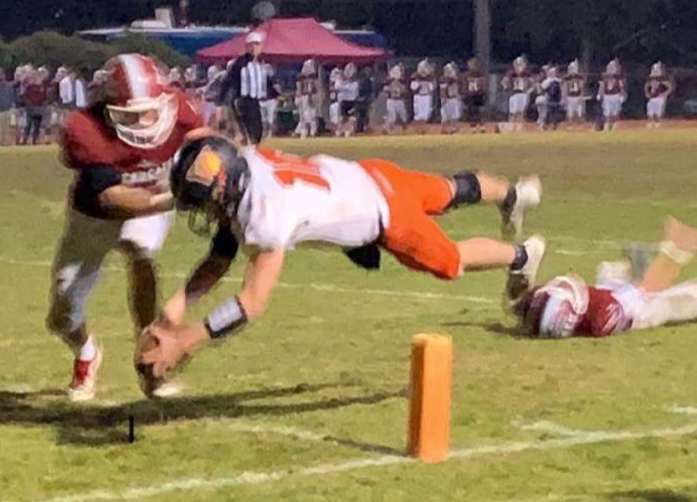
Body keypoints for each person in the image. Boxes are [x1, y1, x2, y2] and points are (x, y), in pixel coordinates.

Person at [134, 136, 545, 380]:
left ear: (226, 188)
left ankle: (522, 256)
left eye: (206, 203)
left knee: (451, 262)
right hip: (368, 175)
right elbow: (222, 250)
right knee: (451, 189)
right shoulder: (250, 161)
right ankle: (512, 194)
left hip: (385, 217)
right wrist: (180, 304)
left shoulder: (266, 215)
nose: (205, 213)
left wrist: (187, 340)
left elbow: (250, 304)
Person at [46, 54, 203, 402]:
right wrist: (176, 196)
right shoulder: (84, 128)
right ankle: (86, 352)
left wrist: (212, 164)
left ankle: (150, 362)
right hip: (96, 216)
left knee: (142, 254)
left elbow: (203, 138)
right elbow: (113, 198)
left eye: (151, 110)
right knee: (62, 316)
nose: (145, 120)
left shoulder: (178, 108)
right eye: (132, 113)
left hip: (150, 205)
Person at [510, 217, 697, 339]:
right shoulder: (604, 313)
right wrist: (675, 253)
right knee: (678, 301)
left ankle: (636, 268)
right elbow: (646, 291)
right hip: (638, 310)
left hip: (618, 298)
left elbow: (528, 308)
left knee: (608, 271)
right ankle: (640, 268)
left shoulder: (552, 314)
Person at [219, 31, 273, 145]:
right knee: (249, 130)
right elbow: (228, 80)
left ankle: (250, 150)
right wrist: (224, 100)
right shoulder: (241, 63)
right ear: (247, 46)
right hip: (242, 100)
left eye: (257, 44)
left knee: (258, 131)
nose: (254, 48)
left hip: (255, 102)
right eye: (251, 44)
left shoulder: (260, 65)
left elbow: (266, 83)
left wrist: (273, 94)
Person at [501, 56, 531, 130]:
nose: (519, 66)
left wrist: (529, 90)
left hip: (523, 93)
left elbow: (530, 82)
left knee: (521, 112)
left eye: (521, 64)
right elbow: (504, 82)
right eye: (518, 64)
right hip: (514, 94)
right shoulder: (511, 73)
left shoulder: (527, 73)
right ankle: (511, 126)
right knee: (513, 112)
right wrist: (506, 87)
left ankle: (520, 127)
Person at [597, 59, 626, 131]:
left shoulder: (618, 79)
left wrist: (621, 96)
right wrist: (599, 94)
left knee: (615, 113)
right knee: (607, 113)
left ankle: (614, 127)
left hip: (616, 96)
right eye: (609, 68)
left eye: (612, 68)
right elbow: (602, 87)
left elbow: (621, 88)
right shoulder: (605, 79)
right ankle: (606, 127)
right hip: (607, 97)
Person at [644, 62, 674, 129]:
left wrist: (664, 94)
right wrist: (647, 93)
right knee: (650, 109)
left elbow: (669, 87)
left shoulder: (661, 79)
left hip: (659, 98)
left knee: (657, 112)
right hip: (652, 97)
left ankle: (657, 124)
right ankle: (650, 123)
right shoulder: (650, 79)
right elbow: (646, 85)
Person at [295, 59, 319, 139]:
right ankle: (302, 131)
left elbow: (316, 88)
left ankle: (311, 131)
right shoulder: (300, 77)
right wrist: (298, 97)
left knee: (311, 115)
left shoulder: (313, 78)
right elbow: (299, 89)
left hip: (310, 96)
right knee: (303, 115)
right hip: (303, 97)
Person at [463, 58, 487, 133]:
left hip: (478, 94)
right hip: (470, 95)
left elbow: (484, 84)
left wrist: (483, 92)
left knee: (479, 111)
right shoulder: (466, 75)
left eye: (474, 64)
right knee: (471, 111)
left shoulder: (480, 74)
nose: (472, 66)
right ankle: (473, 126)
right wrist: (464, 93)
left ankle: (481, 125)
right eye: (470, 64)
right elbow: (464, 85)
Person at [336, 62, 359, 138]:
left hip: (351, 101)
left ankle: (347, 131)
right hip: (344, 101)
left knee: (352, 118)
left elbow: (353, 89)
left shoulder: (355, 83)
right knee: (342, 118)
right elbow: (337, 87)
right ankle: (339, 131)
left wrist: (344, 87)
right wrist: (345, 84)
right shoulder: (340, 80)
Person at [410, 59, 435, 128]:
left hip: (427, 97)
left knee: (426, 115)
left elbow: (432, 88)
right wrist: (419, 84)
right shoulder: (415, 78)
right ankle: (416, 128)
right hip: (418, 97)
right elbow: (413, 89)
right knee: (418, 115)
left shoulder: (430, 78)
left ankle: (422, 128)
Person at [383, 64, 408, 134]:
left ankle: (405, 130)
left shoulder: (402, 81)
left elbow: (405, 91)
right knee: (392, 117)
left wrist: (400, 90)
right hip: (391, 100)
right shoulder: (389, 81)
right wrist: (391, 89)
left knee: (403, 116)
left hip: (399, 100)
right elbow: (385, 89)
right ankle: (389, 129)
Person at [439, 62, 462, 134]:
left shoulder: (456, 79)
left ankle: (454, 128)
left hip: (454, 99)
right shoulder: (443, 79)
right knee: (445, 116)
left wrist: (458, 95)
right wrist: (443, 98)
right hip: (447, 99)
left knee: (455, 116)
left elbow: (457, 89)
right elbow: (442, 89)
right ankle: (445, 129)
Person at [562, 60, 586, 129]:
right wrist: (564, 98)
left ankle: (579, 126)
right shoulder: (567, 78)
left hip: (577, 96)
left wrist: (581, 97)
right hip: (570, 97)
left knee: (579, 112)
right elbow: (565, 88)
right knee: (570, 113)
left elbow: (581, 88)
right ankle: (571, 125)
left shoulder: (579, 77)